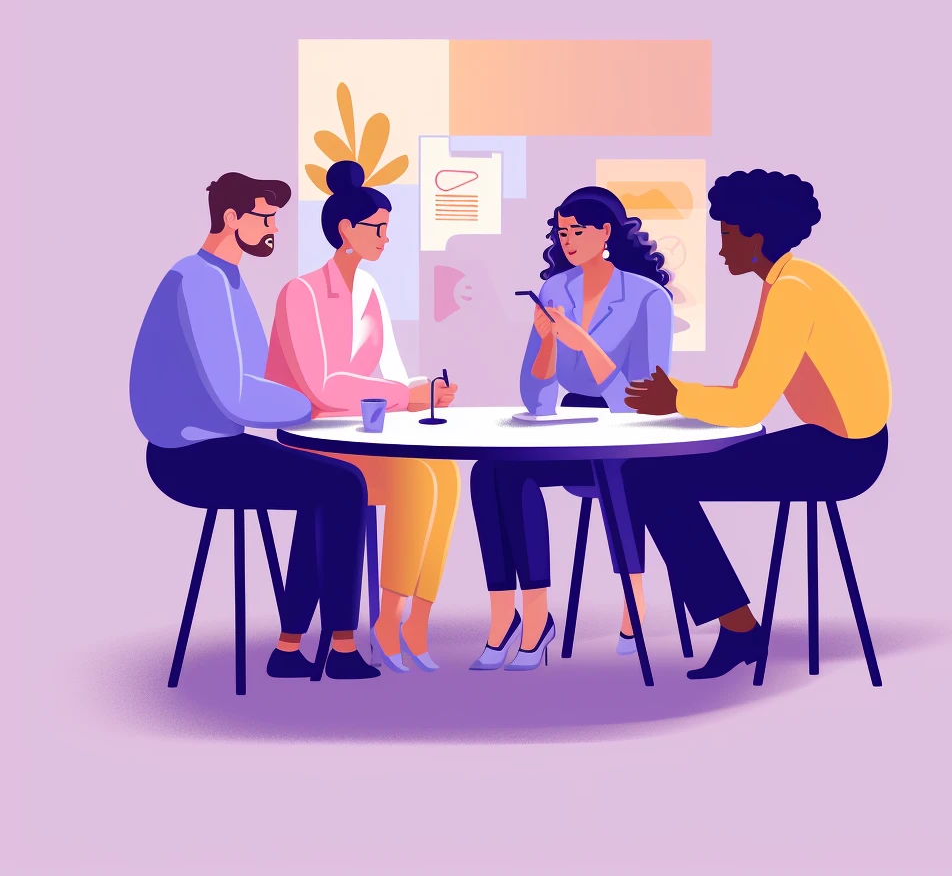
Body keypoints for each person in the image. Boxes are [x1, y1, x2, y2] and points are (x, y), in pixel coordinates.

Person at [622, 169, 891, 679]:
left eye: (727, 234)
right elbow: (744, 390)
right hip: (837, 443)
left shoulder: (792, 291)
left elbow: (749, 406)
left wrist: (675, 396)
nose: (720, 248)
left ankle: (741, 628)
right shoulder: (789, 281)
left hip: (841, 455)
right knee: (653, 474)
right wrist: (682, 399)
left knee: (647, 477)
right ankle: (738, 624)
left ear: (757, 238)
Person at [130, 172, 380, 681]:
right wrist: (313, 403)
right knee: (344, 484)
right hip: (190, 457)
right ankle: (342, 648)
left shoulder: (230, 278)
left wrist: (305, 400)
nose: (273, 229)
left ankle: (290, 648)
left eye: (275, 220)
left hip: (219, 444)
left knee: (328, 483)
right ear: (230, 219)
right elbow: (236, 395)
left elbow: (253, 380)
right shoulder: (200, 281)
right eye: (263, 219)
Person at [266, 161, 460, 674]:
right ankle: (360, 632)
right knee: (413, 480)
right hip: (309, 443)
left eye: (387, 230)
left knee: (442, 472)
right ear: (346, 230)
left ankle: (409, 619)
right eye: (377, 229)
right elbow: (320, 386)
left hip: (355, 436)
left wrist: (424, 390)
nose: (384, 239)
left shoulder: (370, 292)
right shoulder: (301, 293)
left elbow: (390, 371)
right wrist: (404, 394)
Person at [469, 186, 673, 671]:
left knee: (619, 472)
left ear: (606, 232)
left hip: (630, 433)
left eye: (577, 231)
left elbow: (643, 401)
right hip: (570, 424)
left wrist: (585, 346)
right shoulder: (557, 290)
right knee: (492, 470)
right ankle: (522, 620)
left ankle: (634, 601)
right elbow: (536, 398)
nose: (567, 241)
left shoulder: (649, 298)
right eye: (561, 232)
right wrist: (545, 345)